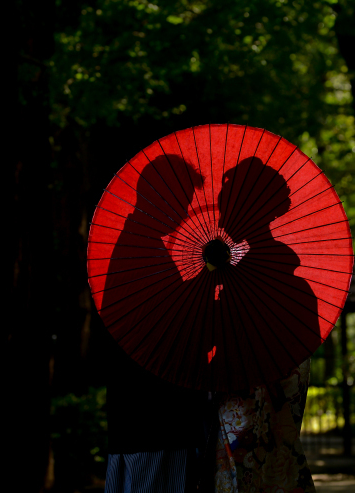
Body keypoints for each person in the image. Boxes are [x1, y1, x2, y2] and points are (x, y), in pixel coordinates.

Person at [100, 153, 215, 493]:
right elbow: (169, 329)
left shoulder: (138, 247)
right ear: (158, 198)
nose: (183, 215)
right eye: (182, 203)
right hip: (156, 417)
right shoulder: (142, 253)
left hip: (142, 418)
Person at [211, 158, 317, 493]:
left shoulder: (248, 276)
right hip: (270, 413)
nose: (221, 212)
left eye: (226, 204)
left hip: (246, 409)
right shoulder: (284, 277)